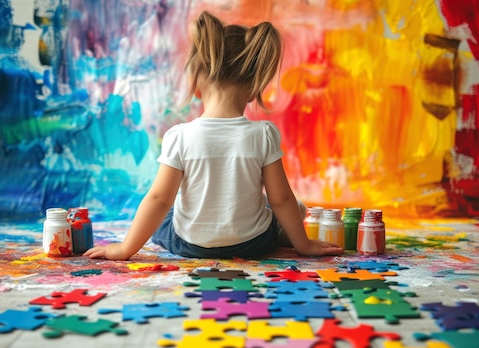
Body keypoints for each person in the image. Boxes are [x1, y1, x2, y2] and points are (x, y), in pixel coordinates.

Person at [84, 11, 343, 260]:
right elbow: (281, 199)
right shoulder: (263, 134)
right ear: (254, 90)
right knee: (291, 206)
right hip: (253, 243)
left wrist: (125, 249)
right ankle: (281, 235)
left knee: (165, 212)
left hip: (190, 244)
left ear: (196, 85)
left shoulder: (179, 136)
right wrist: (304, 245)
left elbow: (159, 199)